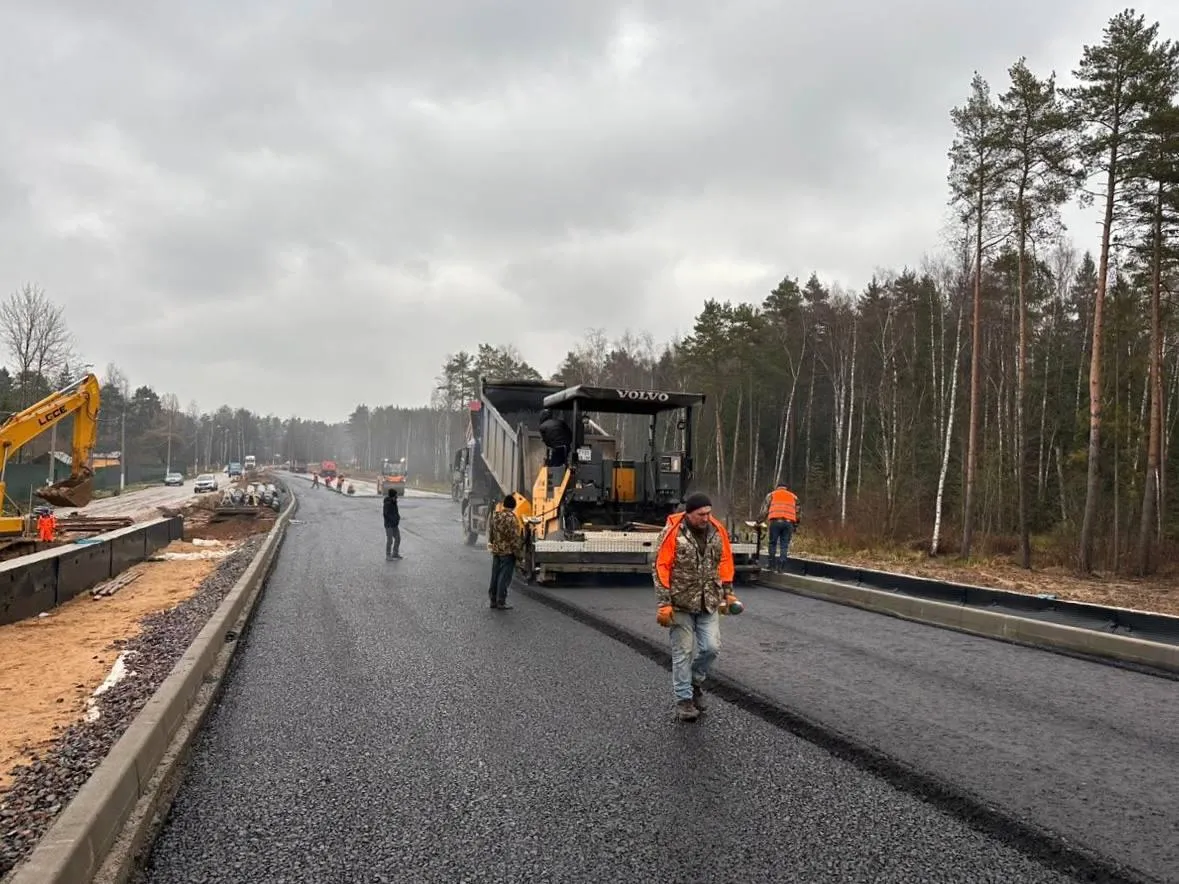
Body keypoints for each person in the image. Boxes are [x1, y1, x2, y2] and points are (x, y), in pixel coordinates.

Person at [652, 492, 738, 722]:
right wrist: (664, 603)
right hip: (680, 603)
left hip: (708, 601)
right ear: (688, 514)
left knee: (711, 648)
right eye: (701, 514)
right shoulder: (672, 533)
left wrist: (728, 593)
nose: (706, 518)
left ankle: (695, 681)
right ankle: (684, 700)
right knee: (683, 652)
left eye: (709, 513)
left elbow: (725, 561)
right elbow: (660, 567)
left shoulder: (717, 532)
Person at [487, 495, 523, 609]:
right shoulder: (512, 519)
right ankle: (501, 601)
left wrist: (493, 543)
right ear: (514, 506)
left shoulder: (496, 516)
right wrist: (518, 555)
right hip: (507, 553)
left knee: (495, 575)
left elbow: (491, 534)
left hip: (496, 550)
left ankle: (493, 600)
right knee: (504, 577)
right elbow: (514, 538)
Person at [758, 482, 800, 571]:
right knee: (784, 545)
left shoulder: (771, 495)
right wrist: (796, 525)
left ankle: (771, 565)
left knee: (772, 543)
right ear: (786, 488)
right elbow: (798, 512)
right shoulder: (794, 497)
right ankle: (781, 567)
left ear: (777, 488)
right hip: (788, 523)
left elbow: (764, 510)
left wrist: (759, 521)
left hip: (775, 522)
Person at [383, 488, 401, 559]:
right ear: (392, 496)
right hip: (389, 525)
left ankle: (395, 553)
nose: (397, 497)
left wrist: (398, 517)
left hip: (395, 524)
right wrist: (393, 520)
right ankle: (388, 555)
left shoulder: (394, 502)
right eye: (395, 496)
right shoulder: (387, 504)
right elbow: (386, 514)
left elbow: (396, 512)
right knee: (390, 540)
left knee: (398, 538)